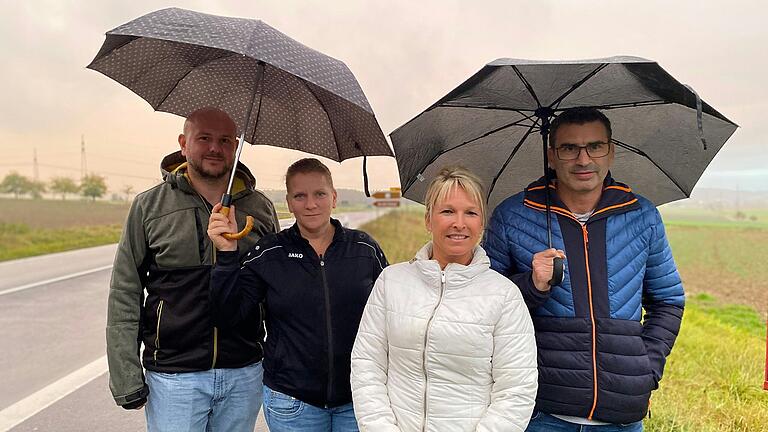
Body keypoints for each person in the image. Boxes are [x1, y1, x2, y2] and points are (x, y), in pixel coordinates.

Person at [483, 107, 685, 431]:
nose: (583, 159)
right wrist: (531, 285)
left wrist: (646, 371)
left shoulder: (642, 215)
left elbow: (668, 301)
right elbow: (483, 305)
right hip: (540, 413)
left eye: (595, 146)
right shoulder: (513, 215)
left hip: (622, 418)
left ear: (611, 152)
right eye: (569, 148)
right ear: (551, 155)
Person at [106, 107, 280, 432]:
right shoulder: (149, 206)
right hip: (174, 376)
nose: (215, 148)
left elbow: (277, 291)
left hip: (244, 372)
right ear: (184, 144)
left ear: (236, 145)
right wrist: (125, 375)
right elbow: (124, 291)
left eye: (225, 140)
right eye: (204, 138)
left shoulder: (260, 208)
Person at [351, 166, 538, 432]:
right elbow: (367, 363)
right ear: (428, 219)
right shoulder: (391, 282)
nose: (459, 223)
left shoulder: (504, 296)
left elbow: (517, 388)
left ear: (481, 224)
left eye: (471, 213)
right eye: (447, 211)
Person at [207, 157, 388, 432]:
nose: (311, 204)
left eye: (319, 194)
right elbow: (228, 316)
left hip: (358, 399)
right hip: (292, 401)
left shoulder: (364, 249)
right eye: (300, 196)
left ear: (334, 197)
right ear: (289, 203)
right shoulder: (268, 253)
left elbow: (390, 316)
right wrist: (226, 253)